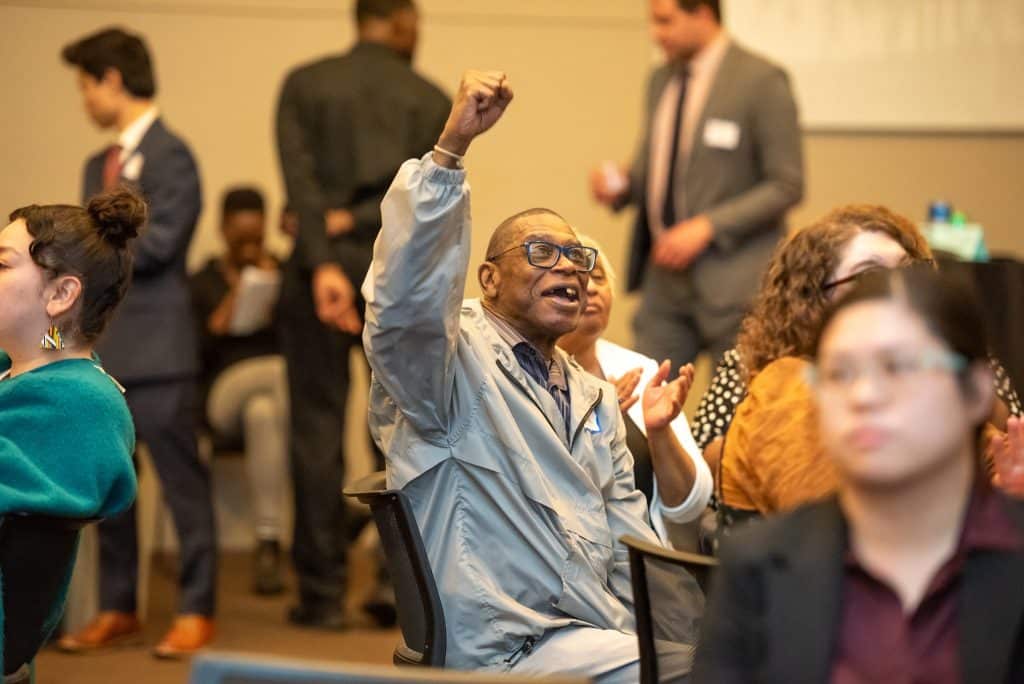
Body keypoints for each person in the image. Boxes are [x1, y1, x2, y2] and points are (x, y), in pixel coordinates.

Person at [365, 69, 699, 683]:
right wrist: (450, 151)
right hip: (507, 642)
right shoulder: (448, 369)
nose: (568, 266)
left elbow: (632, 546)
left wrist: (699, 636)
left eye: (580, 256)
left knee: (726, 661)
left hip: (593, 633)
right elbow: (406, 302)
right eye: (541, 253)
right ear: (488, 279)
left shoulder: (593, 396)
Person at [693, 266, 1024, 683]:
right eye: (839, 373)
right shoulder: (757, 564)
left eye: (899, 366)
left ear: (975, 391)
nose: (864, 396)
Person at [274, 0, 450, 628]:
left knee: (315, 430)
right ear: (401, 22)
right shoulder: (429, 99)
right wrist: (360, 225)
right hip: (394, 274)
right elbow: (424, 204)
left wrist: (321, 260)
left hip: (314, 268)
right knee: (401, 433)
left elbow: (299, 185)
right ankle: (397, 587)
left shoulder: (304, 83)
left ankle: (321, 596)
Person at [693, 206, 1021, 525]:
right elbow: (841, 535)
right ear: (811, 303)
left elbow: (998, 466)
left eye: (909, 270)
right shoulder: (787, 387)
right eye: (871, 275)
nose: (898, 286)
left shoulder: (917, 382)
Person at [58, 27, 217, 657]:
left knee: (183, 487)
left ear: (112, 80)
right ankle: (118, 606)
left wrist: (95, 250)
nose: (85, 100)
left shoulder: (173, 153)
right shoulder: (95, 165)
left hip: (161, 351)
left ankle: (197, 608)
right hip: (106, 349)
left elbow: (162, 242)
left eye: (85, 86)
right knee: (113, 485)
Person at [590, 0, 803, 370]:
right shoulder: (661, 79)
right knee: (639, 399)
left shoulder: (761, 81)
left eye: (666, 22)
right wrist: (623, 185)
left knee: (734, 412)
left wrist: (708, 228)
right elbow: (657, 169)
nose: (656, 34)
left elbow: (786, 184)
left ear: (702, 12)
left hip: (736, 283)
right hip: (665, 280)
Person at [0, 189, 141, 667]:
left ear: (61, 293)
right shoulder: (33, 362)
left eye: (1, 265)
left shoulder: (78, 404)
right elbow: (51, 341)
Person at [556, 238, 713, 546]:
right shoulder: (523, 373)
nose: (591, 288)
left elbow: (690, 505)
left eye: (599, 277)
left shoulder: (638, 369)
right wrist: (595, 420)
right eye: (577, 278)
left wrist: (659, 432)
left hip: (647, 563)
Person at [189, 187, 288, 596]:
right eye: (240, 238)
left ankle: (268, 545)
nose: (249, 246)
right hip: (220, 395)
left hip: (271, 401)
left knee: (264, 412)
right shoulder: (202, 281)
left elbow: (305, 341)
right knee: (286, 372)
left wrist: (276, 298)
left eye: (256, 237)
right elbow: (194, 353)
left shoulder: (281, 271)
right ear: (223, 230)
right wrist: (236, 298)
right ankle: (337, 508)